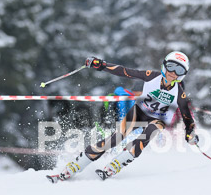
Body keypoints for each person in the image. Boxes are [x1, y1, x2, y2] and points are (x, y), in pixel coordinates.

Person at [47, 51, 199, 183]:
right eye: (171, 66)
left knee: (147, 135)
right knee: (115, 138)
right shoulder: (151, 76)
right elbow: (126, 71)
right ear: (164, 65)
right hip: (139, 112)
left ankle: (116, 164)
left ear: (183, 74)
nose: (173, 72)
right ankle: (76, 165)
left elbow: (188, 118)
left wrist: (190, 134)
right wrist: (102, 65)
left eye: (179, 69)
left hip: (158, 120)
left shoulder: (180, 93)